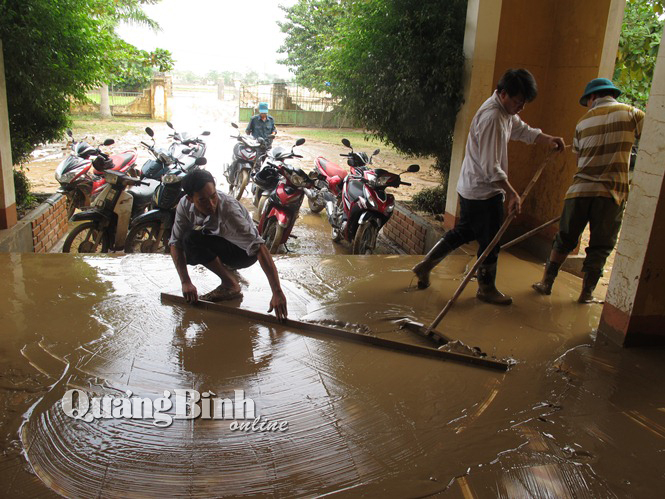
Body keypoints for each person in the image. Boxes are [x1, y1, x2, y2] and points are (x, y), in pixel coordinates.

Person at [412, 68, 565, 305]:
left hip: (473, 186)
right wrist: (512, 193)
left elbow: (520, 129)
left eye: (523, 103)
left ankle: (425, 265)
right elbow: (491, 167)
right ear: (503, 93)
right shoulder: (493, 117)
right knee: (491, 240)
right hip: (484, 190)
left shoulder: (504, 111)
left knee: (465, 231)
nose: (520, 107)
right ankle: (486, 288)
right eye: (517, 101)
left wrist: (545, 138)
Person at [532, 78, 645, 303]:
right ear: (610, 94)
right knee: (600, 246)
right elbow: (652, 144)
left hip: (579, 192)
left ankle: (546, 283)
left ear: (593, 97)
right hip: (611, 194)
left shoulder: (582, 123)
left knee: (564, 239)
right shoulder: (633, 114)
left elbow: (579, 160)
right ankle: (586, 294)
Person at [169, 169, 288, 320]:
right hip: (221, 240)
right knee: (188, 243)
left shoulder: (230, 212)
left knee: (192, 240)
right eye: (203, 201)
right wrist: (185, 282)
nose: (211, 204)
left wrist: (277, 292)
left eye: (213, 197)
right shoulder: (184, 206)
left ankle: (230, 284)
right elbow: (175, 243)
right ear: (190, 199)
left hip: (243, 254)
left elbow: (259, 248)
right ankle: (228, 274)